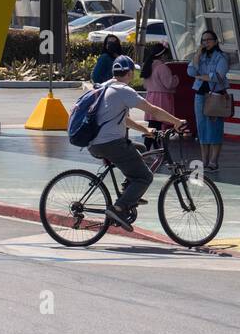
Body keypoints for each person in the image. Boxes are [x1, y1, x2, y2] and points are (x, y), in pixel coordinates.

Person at [87, 55, 185, 229]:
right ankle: (119, 208)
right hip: (111, 143)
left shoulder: (105, 87)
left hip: (94, 142)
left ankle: (129, 189)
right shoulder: (123, 90)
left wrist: (146, 130)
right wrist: (176, 121)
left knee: (138, 148)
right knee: (145, 176)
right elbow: (153, 110)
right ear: (130, 73)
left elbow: (124, 119)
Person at [188, 29, 230, 171]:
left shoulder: (221, 57)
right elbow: (191, 72)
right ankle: (204, 160)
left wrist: (202, 76)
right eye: (203, 40)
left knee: (214, 128)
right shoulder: (200, 56)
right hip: (200, 95)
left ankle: (213, 161)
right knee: (202, 128)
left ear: (215, 41)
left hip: (215, 95)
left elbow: (218, 76)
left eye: (208, 40)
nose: (206, 43)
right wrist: (198, 55)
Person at [140, 41, 179, 151]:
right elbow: (169, 84)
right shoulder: (162, 67)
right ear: (162, 55)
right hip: (161, 98)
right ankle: (148, 148)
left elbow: (144, 84)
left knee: (153, 124)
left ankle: (153, 147)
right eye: (166, 55)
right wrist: (176, 78)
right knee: (157, 125)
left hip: (151, 96)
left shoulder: (149, 65)